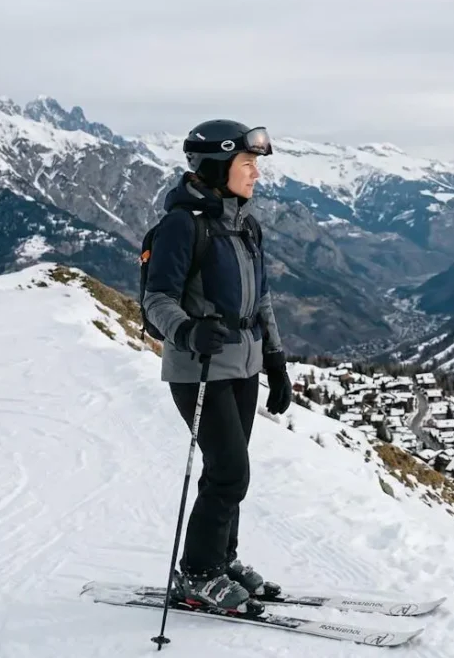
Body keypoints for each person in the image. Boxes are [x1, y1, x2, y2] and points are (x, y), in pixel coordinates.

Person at [141, 119, 293, 613]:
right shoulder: (182, 225)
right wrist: (187, 330)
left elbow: (261, 298)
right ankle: (198, 574)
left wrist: (275, 359)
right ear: (215, 167)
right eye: (246, 165)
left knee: (230, 470)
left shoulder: (246, 224)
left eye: (254, 165)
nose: (255, 175)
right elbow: (156, 300)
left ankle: (220, 560)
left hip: (244, 364)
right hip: (199, 369)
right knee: (230, 472)